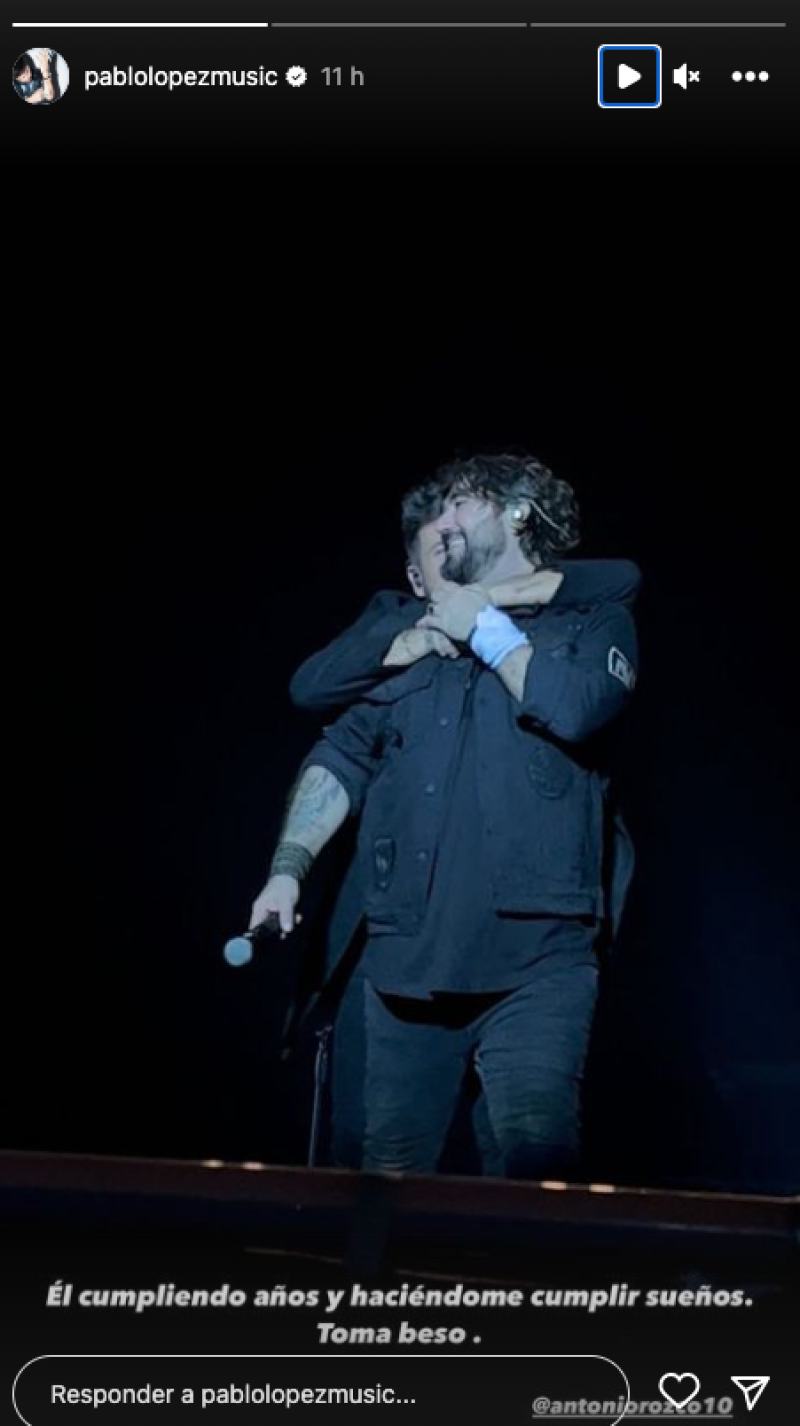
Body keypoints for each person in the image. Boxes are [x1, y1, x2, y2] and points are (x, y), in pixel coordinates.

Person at [252, 453, 639, 1177]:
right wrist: (288, 870)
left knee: (535, 1169)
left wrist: (487, 627)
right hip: (406, 969)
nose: (444, 520)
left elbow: (581, 708)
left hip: (537, 962)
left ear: (518, 511)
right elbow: (338, 753)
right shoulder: (413, 644)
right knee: (384, 1185)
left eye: (462, 503)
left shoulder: (591, 621)